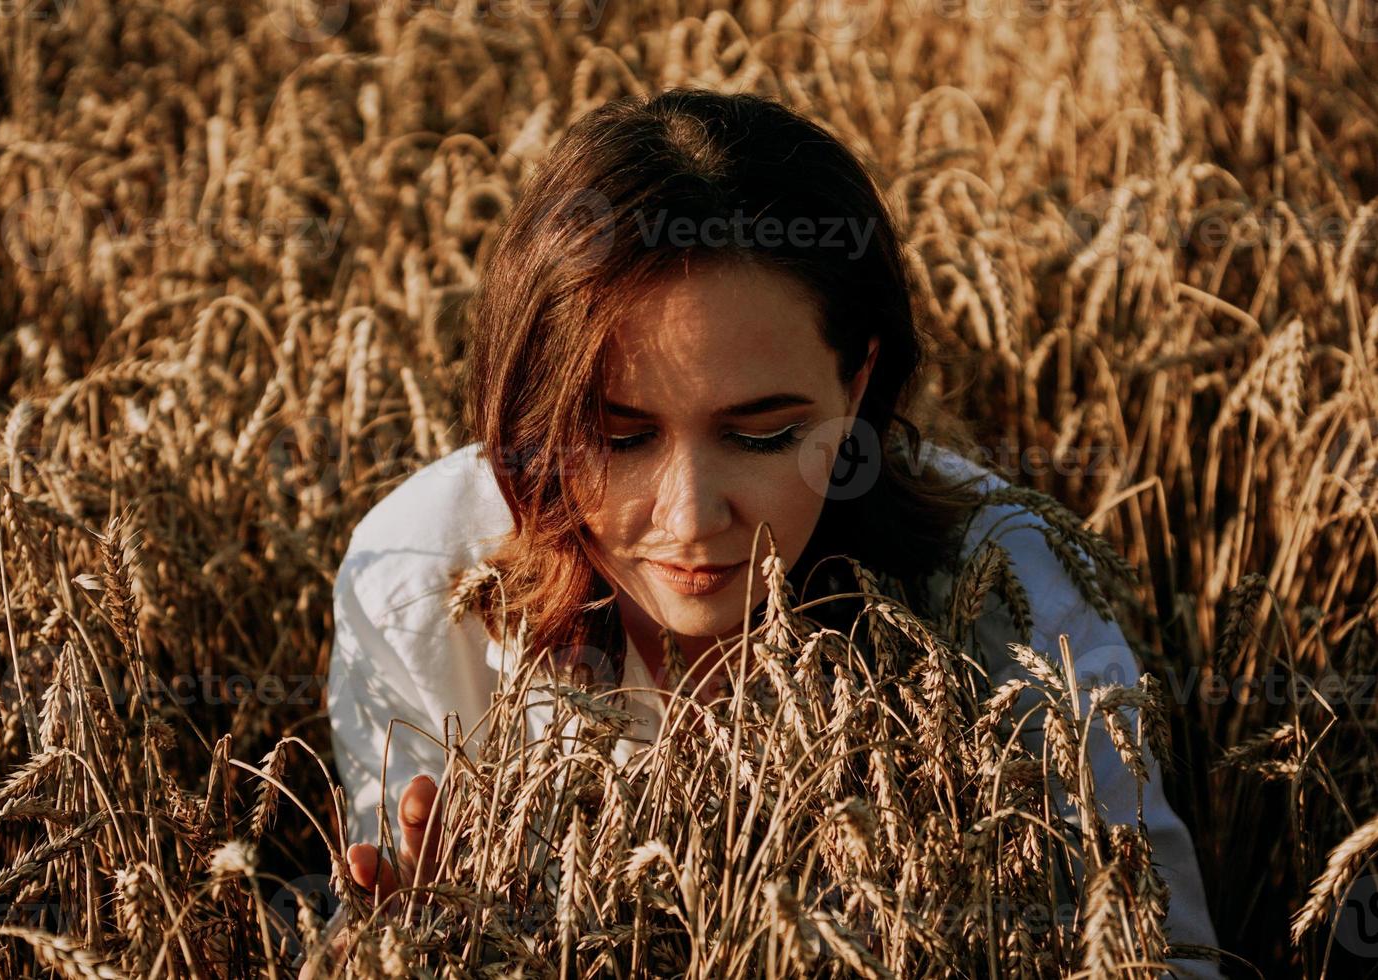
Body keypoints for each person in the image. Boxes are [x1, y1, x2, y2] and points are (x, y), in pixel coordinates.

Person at [304, 89, 1224, 978]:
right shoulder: (421, 581)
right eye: (620, 436)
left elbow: (1160, 953)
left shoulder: (1004, 583)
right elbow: (395, 919)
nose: (692, 517)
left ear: (858, 386)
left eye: (764, 435)